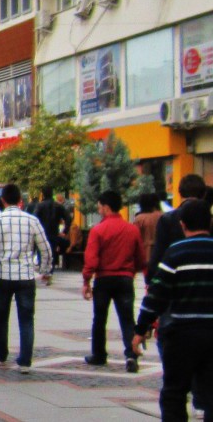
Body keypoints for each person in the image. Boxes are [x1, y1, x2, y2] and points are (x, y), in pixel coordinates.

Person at [132, 200, 213, 420]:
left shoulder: (175, 252)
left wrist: (141, 328)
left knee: (174, 393)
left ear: (183, 225)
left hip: (181, 334)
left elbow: (157, 294)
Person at [0, 184, 52, 374]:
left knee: (0, 316)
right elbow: (45, 247)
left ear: (3, 200)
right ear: (20, 200)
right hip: (25, 276)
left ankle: (0, 354)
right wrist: (45, 269)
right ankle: (24, 360)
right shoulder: (32, 220)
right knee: (26, 319)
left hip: (3, 276)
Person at [82, 191, 147, 373]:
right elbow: (141, 258)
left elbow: (92, 259)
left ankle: (99, 354)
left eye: (99, 206)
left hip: (103, 279)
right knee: (127, 319)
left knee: (100, 319)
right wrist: (131, 271)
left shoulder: (98, 230)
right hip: (125, 279)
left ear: (106, 207)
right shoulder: (131, 229)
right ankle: (131, 355)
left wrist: (86, 280)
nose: (98, 209)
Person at [149, 174, 207, 283]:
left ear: (180, 193)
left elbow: (158, 253)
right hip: (205, 279)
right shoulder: (208, 218)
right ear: (203, 194)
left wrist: (151, 279)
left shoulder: (167, 219)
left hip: (175, 277)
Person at [32, 186, 72, 273]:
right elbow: (68, 218)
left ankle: (43, 270)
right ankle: (50, 270)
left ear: (43, 194)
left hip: (41, 233)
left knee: (41, 251)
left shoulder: (39, 206)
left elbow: (34, 219)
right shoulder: (58, 206)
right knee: (52, 252)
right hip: (54, 233)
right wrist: (65, 231)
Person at [133, 193, 163, 259]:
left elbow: (134, 238)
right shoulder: (162, 216)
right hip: (161, 252)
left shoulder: (139, 219)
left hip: (143, 253)